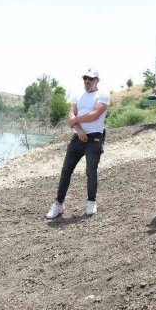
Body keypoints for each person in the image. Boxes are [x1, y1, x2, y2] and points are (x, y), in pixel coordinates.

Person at [46, 69, 110, 219]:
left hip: (94, 138)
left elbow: (95, 115)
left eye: (90, 78)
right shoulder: (76, 94)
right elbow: (71, 115)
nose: (87, 81)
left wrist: (76, 121)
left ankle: (91, 201)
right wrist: (79, 129)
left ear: (97, 80)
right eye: (85, 78)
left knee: (91, 171)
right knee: (66, 171)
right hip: (77, 137)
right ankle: (58, 204)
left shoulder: (103, 95)